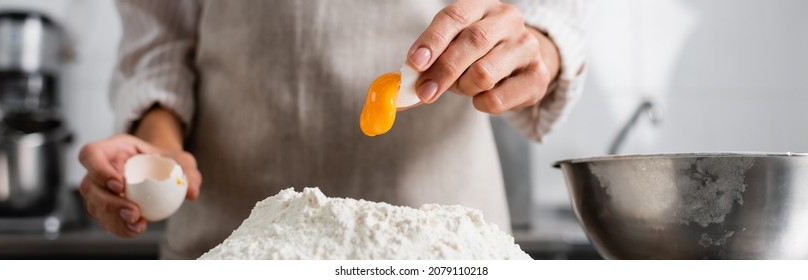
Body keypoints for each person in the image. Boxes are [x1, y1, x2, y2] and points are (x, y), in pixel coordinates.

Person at [78, 0, 587, 259]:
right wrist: (159, 148)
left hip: (438, 243)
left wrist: (535, 47)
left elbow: (548, 16)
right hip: (235, 239)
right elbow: (160, 38)